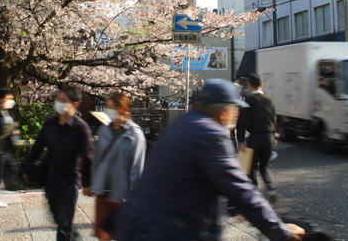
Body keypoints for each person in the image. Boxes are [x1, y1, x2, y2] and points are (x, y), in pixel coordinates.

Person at [114, 78, 304, 241]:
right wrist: (280, 231)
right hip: (167, 231)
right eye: (235, 109)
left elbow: (201, 179)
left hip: (139, 225)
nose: (237, 115)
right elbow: (241, 189)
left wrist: (235, 208)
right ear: (224, 111)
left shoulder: (182, 124)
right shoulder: (212, 134)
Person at [24, 86, 93, 241]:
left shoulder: (81, 128)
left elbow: (87, 157)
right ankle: (74, 237)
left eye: (64, 100)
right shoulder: (50, 124)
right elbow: (38, 147)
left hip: (70, 181)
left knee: (64, 226)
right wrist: (27, 167)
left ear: (74, 104)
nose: (59, 103)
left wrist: (88, 183)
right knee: (60, 220)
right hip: (51, 179)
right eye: (58, 100)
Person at [90, 92, 146, 240]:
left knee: (124, 235)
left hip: (122, 195)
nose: (108, 110)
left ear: (122, 109)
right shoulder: (104, 130)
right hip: (103, 191)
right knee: (104, 234)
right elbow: (96, 159)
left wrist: (133, 196)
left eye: (111, 107)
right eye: (107, 107)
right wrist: (92, 183)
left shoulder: (135, 134)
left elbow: (137, 167)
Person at [237, 73, 278, 202]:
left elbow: (242, 121)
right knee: (265, 165)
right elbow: (273, 119)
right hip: (268, 137)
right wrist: (274, 135)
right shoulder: (270, 100)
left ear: (250, 86)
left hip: (254, 137)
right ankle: (271, 189)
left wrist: (241, 140)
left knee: (251, 167)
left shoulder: (249, 100)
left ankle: (253, 194)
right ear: (262, 84)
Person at [0, 88, 20, 208]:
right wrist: (13, 129)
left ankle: (2, 188)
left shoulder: (4, 112)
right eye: (8, 98)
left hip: (5, 149)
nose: (11, 101)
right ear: (0, 100)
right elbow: (0, 129)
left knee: (13, 168)